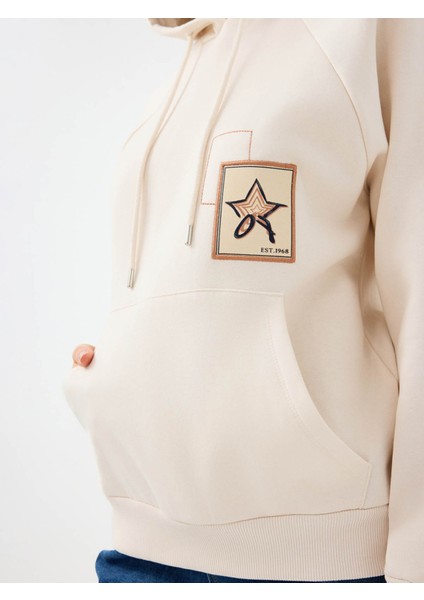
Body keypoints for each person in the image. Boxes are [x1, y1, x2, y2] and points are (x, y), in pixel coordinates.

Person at [63, 18, 424, 583]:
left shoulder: (369, 25)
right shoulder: (183, 68)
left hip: (313, 560)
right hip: (137, 546)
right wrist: (121, 373)